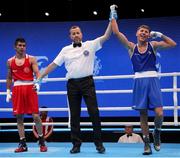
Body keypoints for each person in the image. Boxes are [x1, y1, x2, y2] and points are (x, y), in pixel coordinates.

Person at [34, 8, 113, 154]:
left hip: (87, 83)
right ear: (70, 36)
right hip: (72, 85)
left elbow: (107, 35)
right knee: (74, 115)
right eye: (73, 33)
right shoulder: (65, 50)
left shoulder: (90, 44)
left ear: (81, 34)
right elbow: (53, 64)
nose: (76, 35)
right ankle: (76, 144)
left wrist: (111, 19)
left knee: (94, 113)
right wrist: (40, 76)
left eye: (78, 32)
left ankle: (99, 144)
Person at [111, 9, 176, 155]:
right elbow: (116, 33)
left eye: (146, 31)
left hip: (153, 80)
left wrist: (159, 34)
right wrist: (112, 15)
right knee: (143, 115)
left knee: (159, 113)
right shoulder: (131, 47)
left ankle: (157, 133)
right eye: (141, 30)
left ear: (148, 34)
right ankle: (146, 144)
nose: (144, 33)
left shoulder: (153, 45)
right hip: (139, 81)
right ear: (137, 33)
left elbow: (173, 44)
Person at [6, 38, 47, 152]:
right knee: (19, 117)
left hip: (30, 88)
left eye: (24, 45)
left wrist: (37, 84)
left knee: (36, 116)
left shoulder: (31, 59)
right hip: (17, 89)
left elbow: (37, 73)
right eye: (19, 45)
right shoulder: (10, 61)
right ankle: (23, 144)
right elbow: (9, 77)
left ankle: (42, 141)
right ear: (15, 47)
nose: (22, 47)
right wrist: (8, 91)